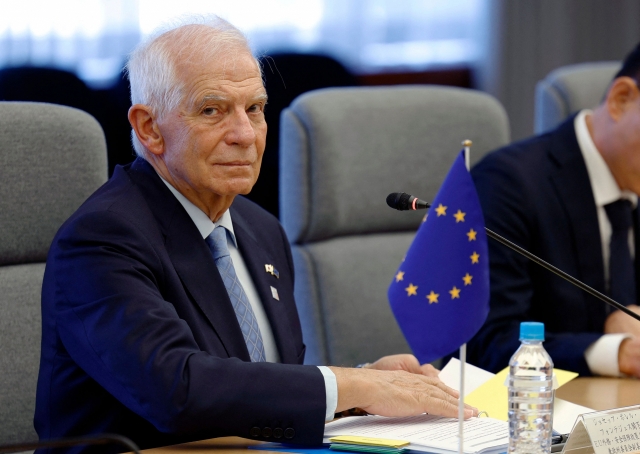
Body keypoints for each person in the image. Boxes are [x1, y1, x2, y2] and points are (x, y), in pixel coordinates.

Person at [34, 16, 476, 453]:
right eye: (213, 110)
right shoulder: (101, 239)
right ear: (149, 128)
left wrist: (362, 394)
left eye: (255, 109)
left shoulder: (259, 229)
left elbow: (258, 387)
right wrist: (352, 385)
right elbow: (178, 391)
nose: (245, 135)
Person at [468, 42, 640, 378]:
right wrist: (615, 350)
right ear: (621, 100)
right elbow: (484, 345)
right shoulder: (507, 183)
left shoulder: (632, 179)